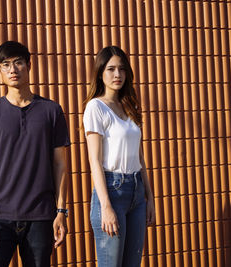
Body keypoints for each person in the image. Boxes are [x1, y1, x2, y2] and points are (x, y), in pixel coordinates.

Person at [0, 41, 70, 267]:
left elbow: (60, 166)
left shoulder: (51, 111)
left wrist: (61, 211)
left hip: (40, 217)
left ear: (29, 65)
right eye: (5, 65)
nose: (13, 70)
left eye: (18, 63)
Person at [83, 46, 156, 267]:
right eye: (111, 69)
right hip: (112, 191)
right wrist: (105, 206)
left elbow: (140, 157)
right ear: (100, 73)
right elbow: (94, 160)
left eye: (122, 69)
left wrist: (149, 197)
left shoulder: (131, 106)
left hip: (136, 191)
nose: (117, 75)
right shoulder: (96, 107)